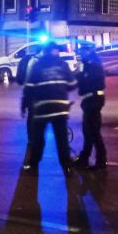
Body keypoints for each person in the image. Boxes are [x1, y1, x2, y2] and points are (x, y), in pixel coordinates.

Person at [22, 42, 77, 176]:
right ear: (55, 51)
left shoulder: (37, 65)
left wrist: (24, 105)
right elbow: (72, 85)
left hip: (42, 108)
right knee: (62, 140)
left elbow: (29, 87)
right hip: (60, 108)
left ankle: (33, 166)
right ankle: (67, 167)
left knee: (38, 139)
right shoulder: (63, 65)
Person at [73, 44, 107, 170]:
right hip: (90, 100)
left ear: (88, 51)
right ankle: (85, 158)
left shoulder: (93, 65)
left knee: (93, 131)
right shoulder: (89, 64)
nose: (80, 54)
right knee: (88, 131)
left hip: (93, 100)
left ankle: (101, 160)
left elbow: (87, 81)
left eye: (82, 51)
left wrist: (79, 75)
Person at [17, 43, 42, 165]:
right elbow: (29, 82)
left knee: (32, 118)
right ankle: (33, 143)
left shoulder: (32, 61)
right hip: (36, 97)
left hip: (32, 96)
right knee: (34, 119)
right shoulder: (36, 62)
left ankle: (32, 141)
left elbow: (26, 83)